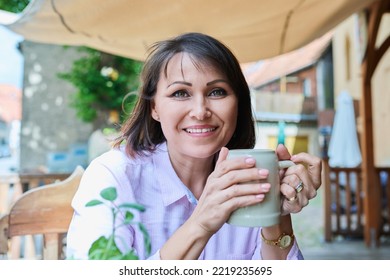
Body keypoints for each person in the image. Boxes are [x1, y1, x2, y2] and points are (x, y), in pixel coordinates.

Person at [66, 32, 322, 260]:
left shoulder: (252, 178)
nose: (200, 112)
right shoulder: (113, 178)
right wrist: (201, 224)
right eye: (180, 93)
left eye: (217, 92)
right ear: (154, 107)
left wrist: (276, 215)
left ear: (238, 104)